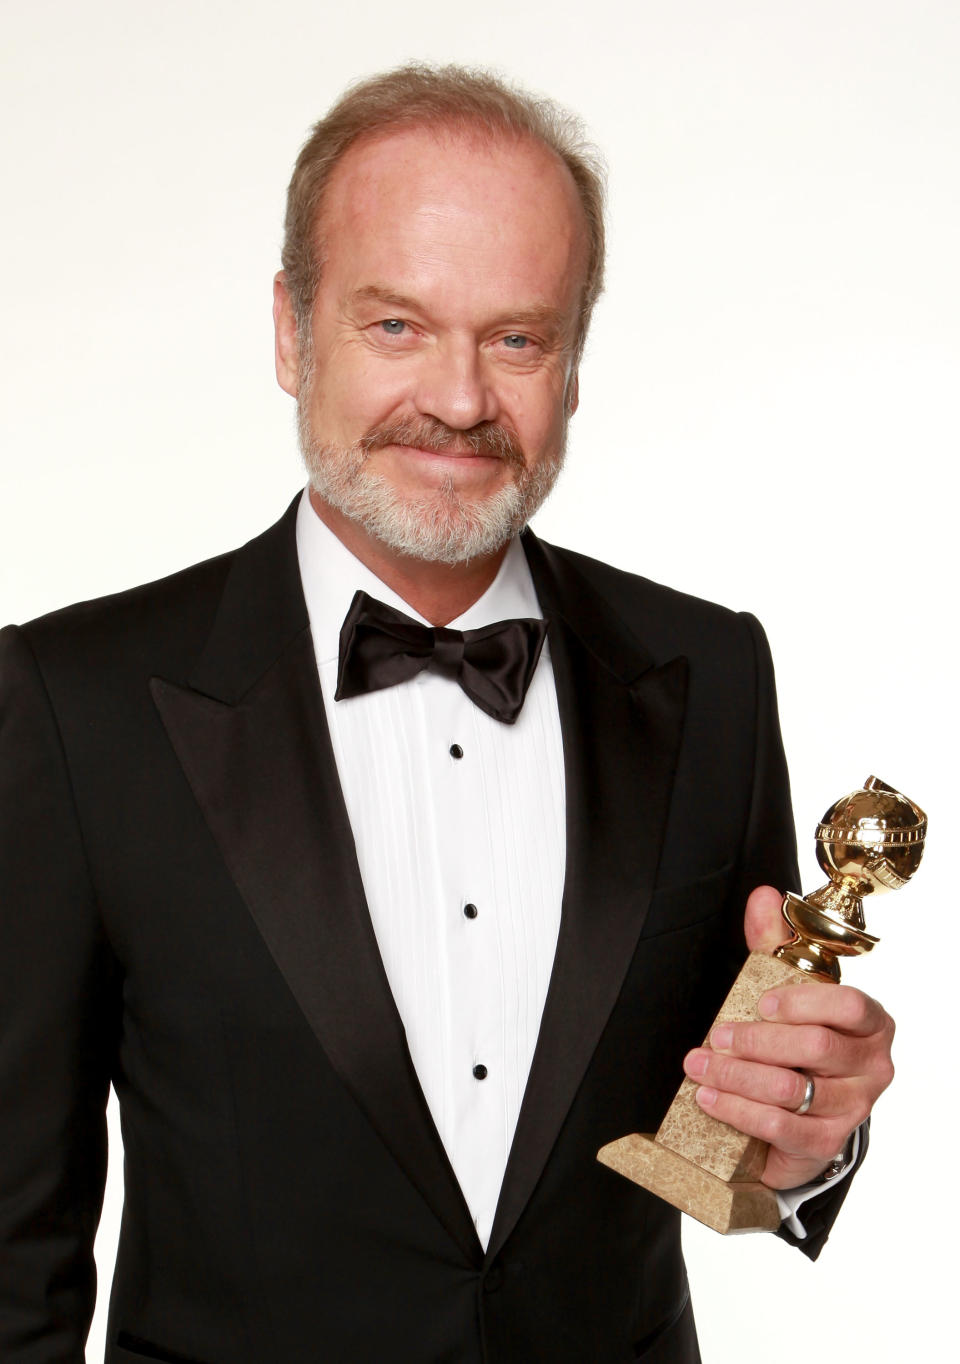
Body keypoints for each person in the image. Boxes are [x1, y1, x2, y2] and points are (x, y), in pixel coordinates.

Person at [0, 64, 895, 1363]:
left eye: (519, 337)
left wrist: (808, 1137)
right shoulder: (73, 705)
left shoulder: (712, 674)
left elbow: (726, 1154)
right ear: (292, 333)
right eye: (398, 327)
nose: (465, 401)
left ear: (576, 362)